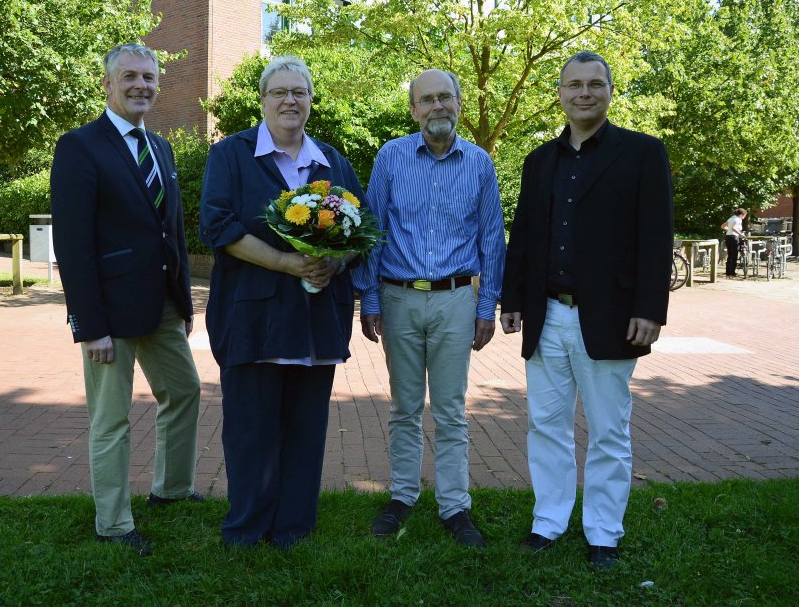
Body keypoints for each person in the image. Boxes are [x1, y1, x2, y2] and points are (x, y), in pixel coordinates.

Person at [499, 51, 674, 568]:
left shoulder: (643, 154)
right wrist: (513, 299)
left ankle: (603, 531)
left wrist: (650, 308)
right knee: (546, 424)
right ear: (560, 93)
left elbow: (656, 238)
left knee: (608, 431)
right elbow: (525, 235)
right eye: (574, 84)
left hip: (612, 316)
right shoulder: (539, 161)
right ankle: (549, 521)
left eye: (595, 84)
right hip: (546, 314)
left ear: (610, 90)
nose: (584, 93)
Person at [198, 56, 364, 549]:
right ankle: (247, 528)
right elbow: (218, 227)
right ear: (263, 100)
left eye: (300, 93)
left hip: (317, 319)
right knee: (251, 429)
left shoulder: (332, 161)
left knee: (305, 428)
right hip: (253, 317)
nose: (290, 101)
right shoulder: (231, 155)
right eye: (280, 92)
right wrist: (288, 263)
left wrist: (336, 260)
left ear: (311, 102)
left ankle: (294, 527)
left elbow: (364, 228)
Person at [51, 43, 203, 556]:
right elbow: (72, 243)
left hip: (161, 306)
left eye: (149, 77)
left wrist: (183, 305)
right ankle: (113, 524)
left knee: (183, 392)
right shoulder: (79, 146)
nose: (142, 85)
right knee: (111, 420)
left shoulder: (161, 147)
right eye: (131, 77)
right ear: (108, 85)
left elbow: (174, 233)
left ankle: (172, 490)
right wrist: (88, 324)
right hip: (109, 314)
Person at [352, 69, 506, 549]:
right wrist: (370, 296)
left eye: (446, 97)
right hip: (398, 298)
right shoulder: (391, 157)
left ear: (459, 103)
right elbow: (373, 229)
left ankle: (455, 506)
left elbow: (491, 238)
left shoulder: (480, 163)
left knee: (451, 409)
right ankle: (401, 496)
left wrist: (487, 305)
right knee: (403, 407)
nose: (437, 106)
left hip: (457, 300)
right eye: (427, 100)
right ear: (414, 108)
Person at [722, 208, 747, 277]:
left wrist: (728, 229)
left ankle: (727, 272)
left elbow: (723, 226)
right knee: (734, 255)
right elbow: (734, 228)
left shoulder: (731, 218)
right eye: (744, 215)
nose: (744, 217)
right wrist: (741, 234)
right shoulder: (738, 219)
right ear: (741, 214)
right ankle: (732, 272)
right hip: (734, 237)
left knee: (729, 254)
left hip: (728, 237)